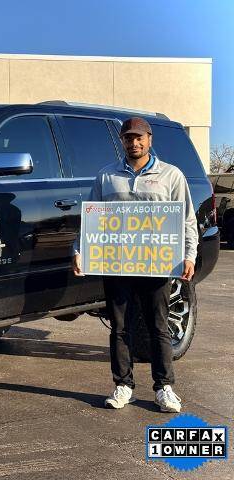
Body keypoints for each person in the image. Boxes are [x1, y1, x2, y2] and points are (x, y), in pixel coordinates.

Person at [71, 117, 199, 413]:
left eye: (139, 137)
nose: (134, 143)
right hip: (118, 265)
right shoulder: (106, 177)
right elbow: (91, 220)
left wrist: (189, 255)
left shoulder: (171, 175)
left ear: (150, 139)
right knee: (119, 327)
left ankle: (164, 387)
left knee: (158, 326)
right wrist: (79, 250)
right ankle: (123, 385)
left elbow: (187, 220)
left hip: (157, 265)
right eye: (129, 138)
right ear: (122, 141)